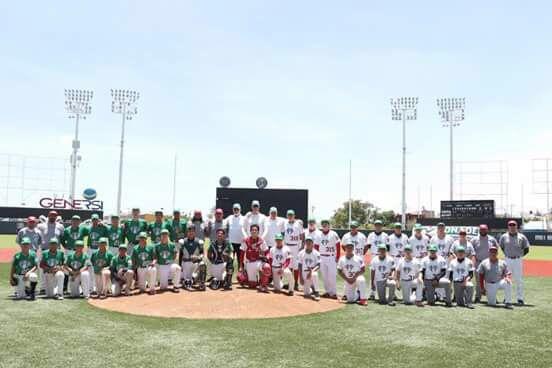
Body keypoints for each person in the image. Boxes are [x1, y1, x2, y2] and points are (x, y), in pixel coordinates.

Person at [499, 220, 530, 305]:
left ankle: (520, 298)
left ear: (517, 226)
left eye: (514, 225)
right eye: (510, 225)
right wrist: (507, 255)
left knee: (518, 279)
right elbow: (502, 247)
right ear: (508, 227)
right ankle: (506, 298)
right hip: (507, 260)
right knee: (507, 279)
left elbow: (526, 249)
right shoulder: (504, 236)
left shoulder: (522, 237)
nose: (512, 227)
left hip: (517, 260)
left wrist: (519, 256)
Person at [477, 245, 513, 309]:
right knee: (492, 304)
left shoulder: (502, 262)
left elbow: (508, 272)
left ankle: (508, 302)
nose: (493, 253)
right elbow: (481, 276)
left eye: (494, 252)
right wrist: (482, 288)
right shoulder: (484, 262)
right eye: (491, 252)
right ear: (489, 253)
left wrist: (508, 277)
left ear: (497, 253)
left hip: (499, 282)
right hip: (489, 284)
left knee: (508, 283)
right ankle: (493, 299)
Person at [471, 224, 499, 303]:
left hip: (489, 262)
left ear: (487, 230)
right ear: (479, 230)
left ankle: (492, 297)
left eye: (484, 229)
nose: (483, 231)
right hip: (478, 262)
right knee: (478, 281)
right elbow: (471, 251)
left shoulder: (492, 239)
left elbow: (496, 249)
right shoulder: (474, 239)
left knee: (490, 280)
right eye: (481, 229)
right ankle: (477, 297)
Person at [239, 224, 270, 291]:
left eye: (256, 230)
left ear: (258, 232)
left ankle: (263, 285)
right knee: (252, 286)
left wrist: (266, 258)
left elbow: (267, 251)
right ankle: (252, 280)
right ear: (250, 231)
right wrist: (241, 266)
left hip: (259, 262)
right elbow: (242, 254)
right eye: (252, 230)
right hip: (249, 263)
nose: (254, 231)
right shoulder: (246, 240)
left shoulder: (261, 241)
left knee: (267, 267)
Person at [337, 241, 367, 305]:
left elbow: (363, 269)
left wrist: (354, 277)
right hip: (348, 280)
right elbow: (339, 271)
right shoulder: (341, 259)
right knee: (350, 300)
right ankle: (358, 293)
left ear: (353, 248)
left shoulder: (358, 258)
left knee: (361, 280)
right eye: (348, 247)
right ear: (345, 248)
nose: (349, 249)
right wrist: (347, 279)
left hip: (357, 278)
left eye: (351, 247)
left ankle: (363, 300)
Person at [179, 226, 206, 291]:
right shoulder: (182, 241)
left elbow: (202, 253)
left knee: (202, 264)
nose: (191, 233)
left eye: (192, 231)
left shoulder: (199, 241)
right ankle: (189, 280)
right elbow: (180, 255)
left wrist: (199, 257)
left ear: (194, 232)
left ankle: (201, 283)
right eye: (189, 231)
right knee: (186, 280)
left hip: (194, 263)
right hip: (185, 263)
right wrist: (180, 266)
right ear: (187, 232)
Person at [318, 219, 340, 299]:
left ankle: (333, 293)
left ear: (328, 225)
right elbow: (316, 246)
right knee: (324, 276)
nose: (324, 225)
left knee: (332, 275)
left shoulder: (333, 234)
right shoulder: (319, 234)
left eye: (326, 224)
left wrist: (337, 257)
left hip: (331, 257)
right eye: (323, 224)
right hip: (322, 257)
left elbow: (338, 245)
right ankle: (327, 291)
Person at [283, 209, 304, 290]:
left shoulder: (298, 224)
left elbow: (302, 235)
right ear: (287, 216)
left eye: (292, 215)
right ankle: (290, 282)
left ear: (294, 216)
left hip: (295, 246)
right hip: (287, 245)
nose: (290, 216)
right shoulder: (285, 223)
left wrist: (302, 245)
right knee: (289, 265)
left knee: (295, 266)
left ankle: (295, 283)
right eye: (289, 215)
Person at [297, 236, 321, 301]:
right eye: (307, 242)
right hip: (304, 273)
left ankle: (316, 292)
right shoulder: (301, 253)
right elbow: (299, 265)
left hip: (312, 272)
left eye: (310, 242)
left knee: (314, 274)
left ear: (313, 243)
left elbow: (319, 265)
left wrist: (311, 271)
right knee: (306, 293)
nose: (308, 243)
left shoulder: (316, 253)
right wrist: (301, 277)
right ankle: (312, 288)